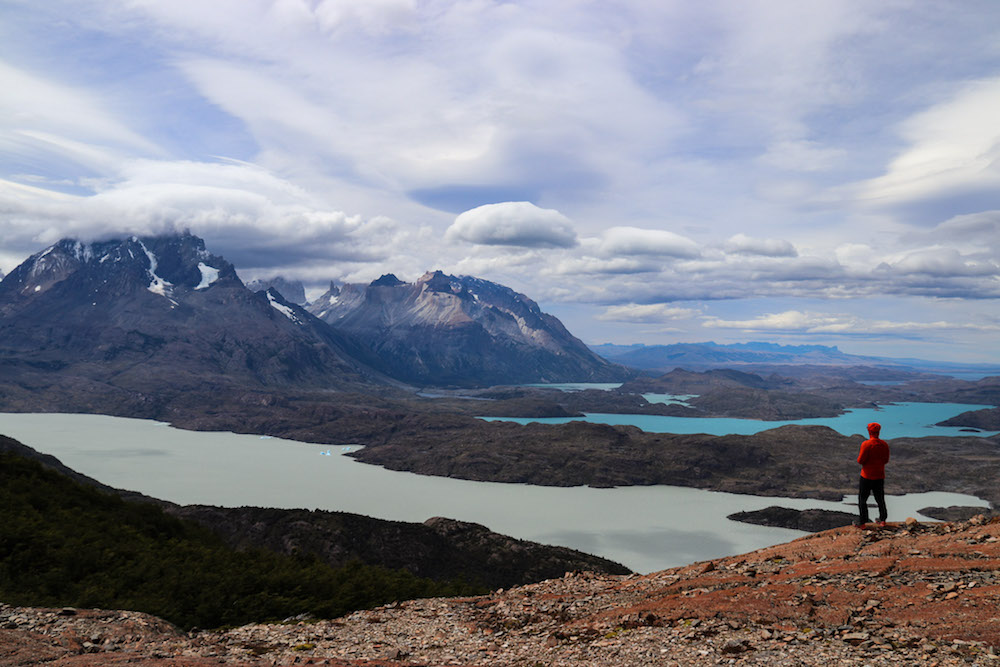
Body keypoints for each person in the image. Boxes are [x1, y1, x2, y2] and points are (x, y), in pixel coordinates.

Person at [856, 422, 890, 528]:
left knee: (862, 499)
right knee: (880, 499)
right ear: (878, 431)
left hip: (866, 476)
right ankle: (882, 520)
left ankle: (862, 522)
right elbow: (886, 460)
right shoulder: (884, 444)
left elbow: (860, 460)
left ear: (869, 431)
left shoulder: (866, 444)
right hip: (879, 476)